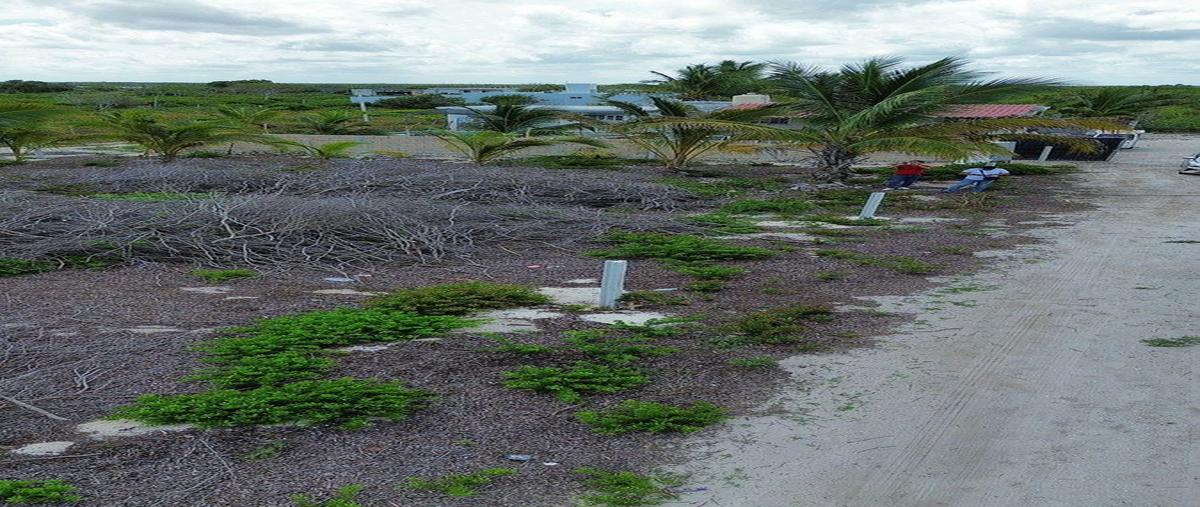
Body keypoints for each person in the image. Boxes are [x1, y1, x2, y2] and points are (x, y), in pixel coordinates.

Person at [942, 162, 1010, 193]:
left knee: (982, 187)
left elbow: (1007, 173)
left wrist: (998, 175)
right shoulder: (975, 169)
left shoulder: (999, 170)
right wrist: (972, 174)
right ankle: (949, 190)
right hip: (972, 178)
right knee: (961, 184)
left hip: (987, 179)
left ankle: (974, 192)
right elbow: (962, 173)